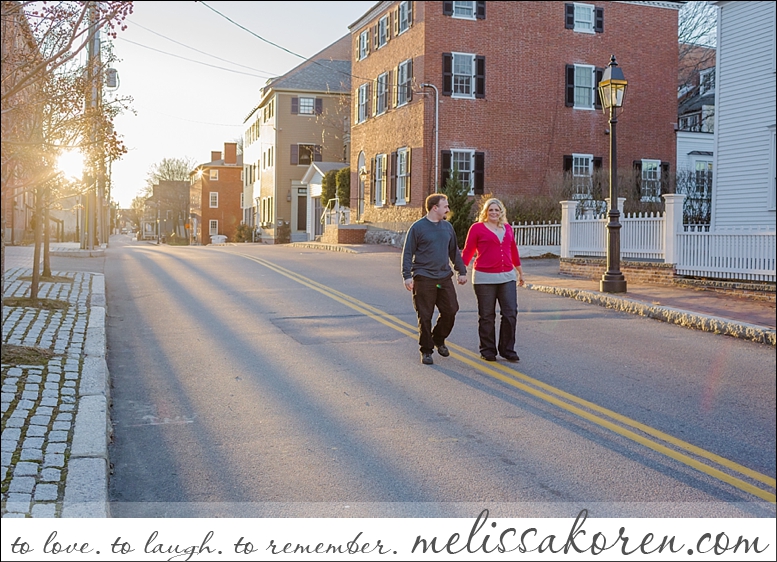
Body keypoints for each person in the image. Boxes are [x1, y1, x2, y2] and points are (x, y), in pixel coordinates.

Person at [401, 193, 468, 365]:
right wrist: (407, 276)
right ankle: (426, 350)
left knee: (451, 310)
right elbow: (408, 253)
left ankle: (438, 338)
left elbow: (454, 251)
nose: (448, 209)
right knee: (425, 315)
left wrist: (461, 271)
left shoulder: (447, 227)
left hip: (444, 277)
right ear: (434, 208)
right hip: (424, 278)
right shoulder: (418, 228)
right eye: (445, 206)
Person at [461, 197, 525, 362]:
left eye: (497, 210)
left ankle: (507, 349)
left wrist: (520, 272)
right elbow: (468, 250)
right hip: (484, 277)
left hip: (507, 277)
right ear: (485, 212)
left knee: (510, 313)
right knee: (487, 315)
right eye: (491, 210)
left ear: (501, 212)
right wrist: (461, 270)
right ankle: (488, 350)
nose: (494, 213)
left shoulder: (508, 228)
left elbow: (513, 250)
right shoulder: (477, 228)